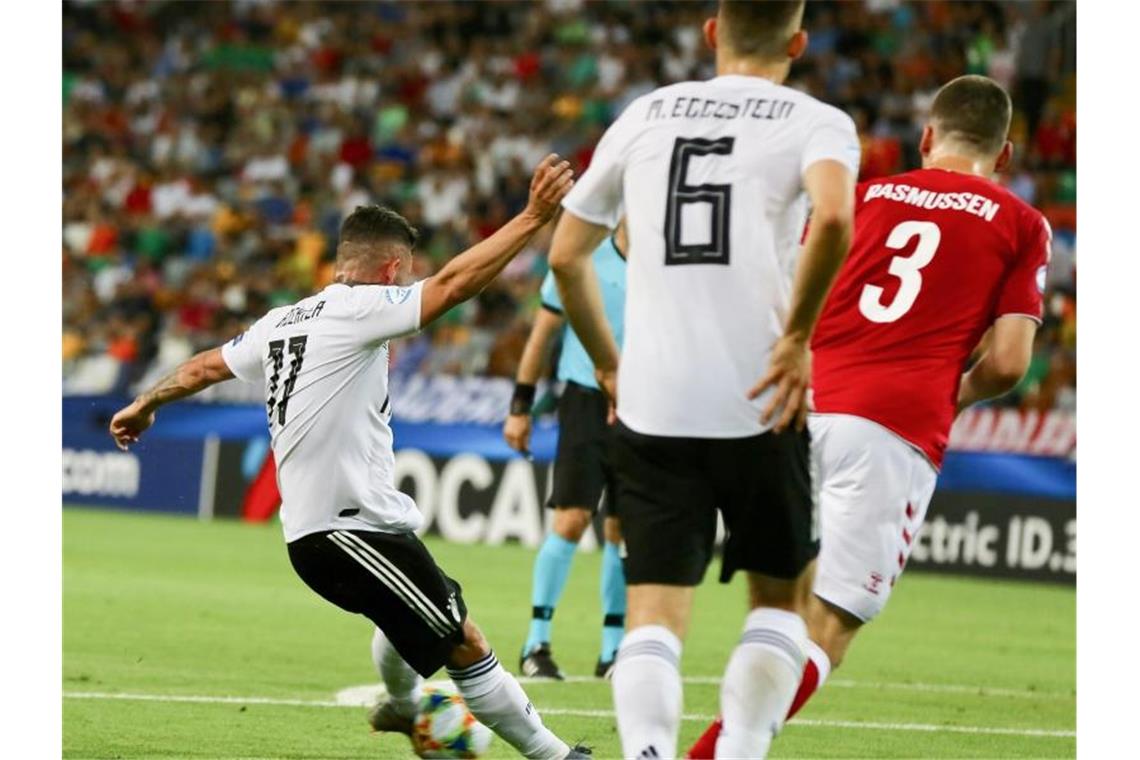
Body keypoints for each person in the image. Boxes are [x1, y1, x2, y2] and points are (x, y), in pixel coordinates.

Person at [109, 155, 591, 760]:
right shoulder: (360, 310)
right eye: (404, 273)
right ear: (391, 270)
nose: (406, 284)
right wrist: (531, 218)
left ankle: (402, 705)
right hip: (344, 529)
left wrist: (146, 402)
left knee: (420, 606)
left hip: (333, 531)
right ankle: (557, 757)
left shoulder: (281, 320)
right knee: (463, 639)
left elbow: (207, 366)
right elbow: (454, 286)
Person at [685, 74, 1050, 757]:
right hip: (890, 427)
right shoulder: (1020, 223)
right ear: (1005, 157)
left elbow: (779, 297)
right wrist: (953, 393)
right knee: (828, 626)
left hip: (797, 410)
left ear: (927, 137)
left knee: (777, 610)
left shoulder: (860, 198)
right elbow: (1007, 363)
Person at [548, 2, 860, 758]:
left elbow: (565, 255)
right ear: (798, 41)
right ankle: (741, 750)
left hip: (652, 405)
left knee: (653, 615)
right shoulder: (818, 121)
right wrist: (795, 338)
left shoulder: (644, 114)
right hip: (762, 401)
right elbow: (837, 217)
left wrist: (610, 364)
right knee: (778, 601)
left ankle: (647, 753)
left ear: (712, 32)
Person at [504, 222, 628, 680]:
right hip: (586, 401)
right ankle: (536, 642)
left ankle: (613, 652)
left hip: (642, 404)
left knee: (624, 529)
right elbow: (542, 336)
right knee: (572, 519)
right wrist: (520, 406)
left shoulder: (664, 264)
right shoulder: (582, 259)